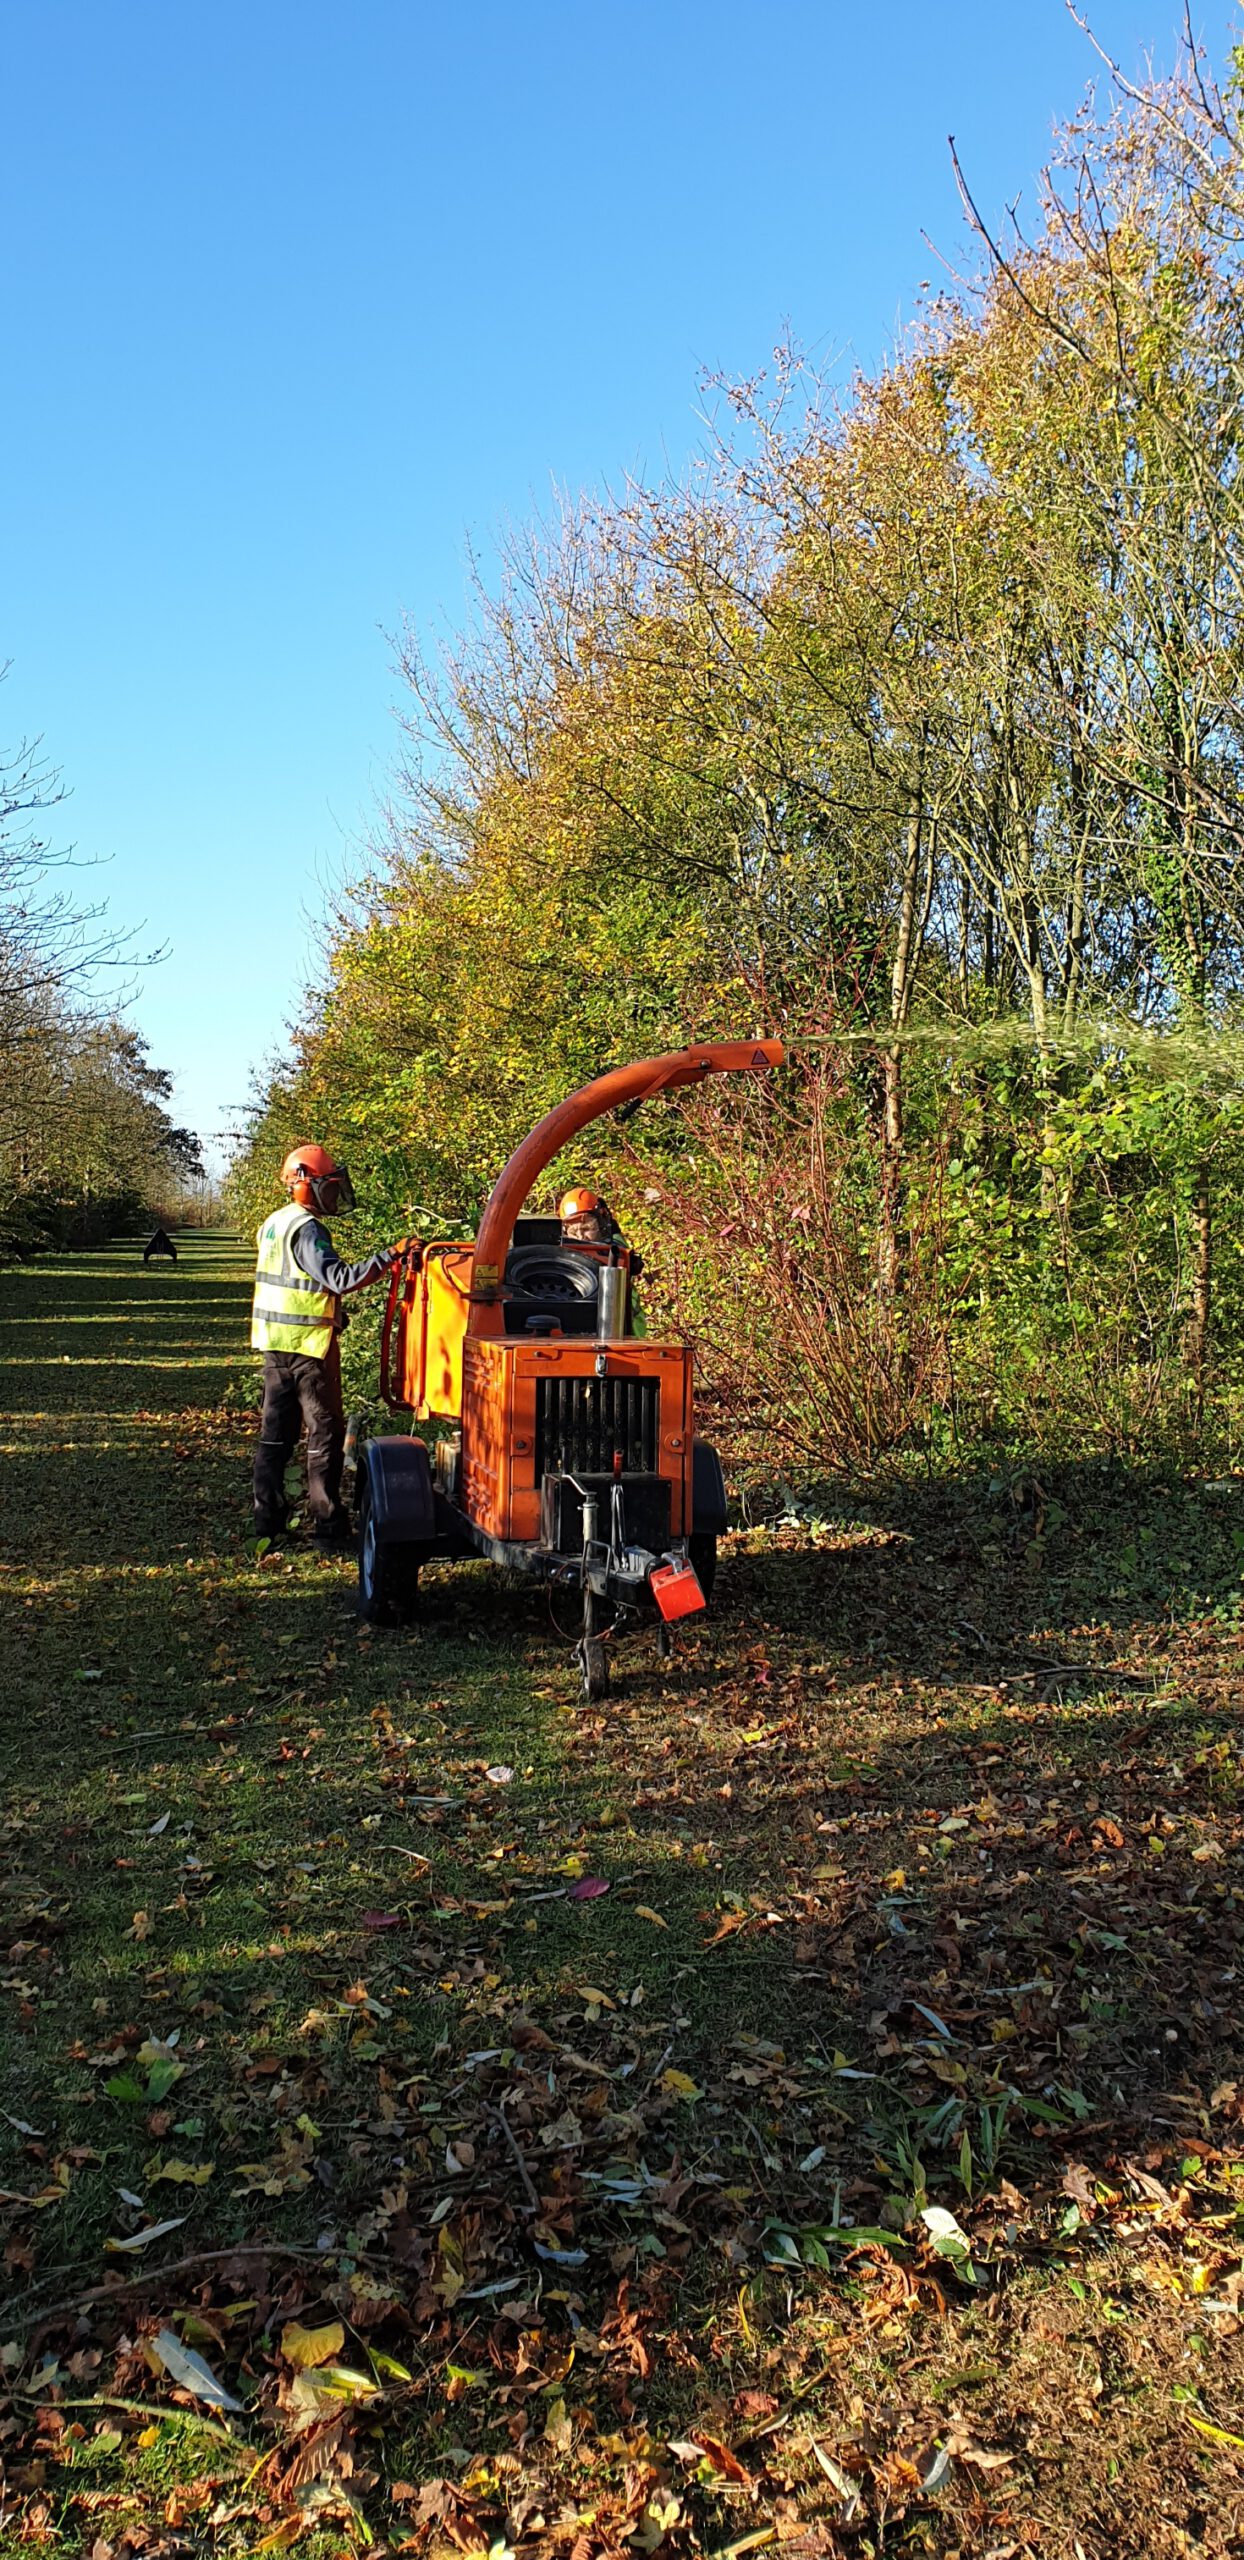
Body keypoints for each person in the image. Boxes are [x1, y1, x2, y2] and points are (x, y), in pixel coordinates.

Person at [251, 1145, 396, 1546]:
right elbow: (339, 1278)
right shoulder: (307, 1228)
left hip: (274, 1345)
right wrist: (390, 1257)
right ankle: (328, 1527)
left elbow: (294, 1283)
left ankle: (268, 1522)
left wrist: (332, 1312)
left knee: (274, 1436)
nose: (332, 1195)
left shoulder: (273, 1223)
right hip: (309, 1351)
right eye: (328, 1186)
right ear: (304, 1183)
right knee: (324, 1436)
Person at [557, 1187, 646, 1334]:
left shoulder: (618, 1254)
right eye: (573, 1231)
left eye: (587, 1228)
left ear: (602, 1222)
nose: (581, 1236)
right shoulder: (559, 1256)